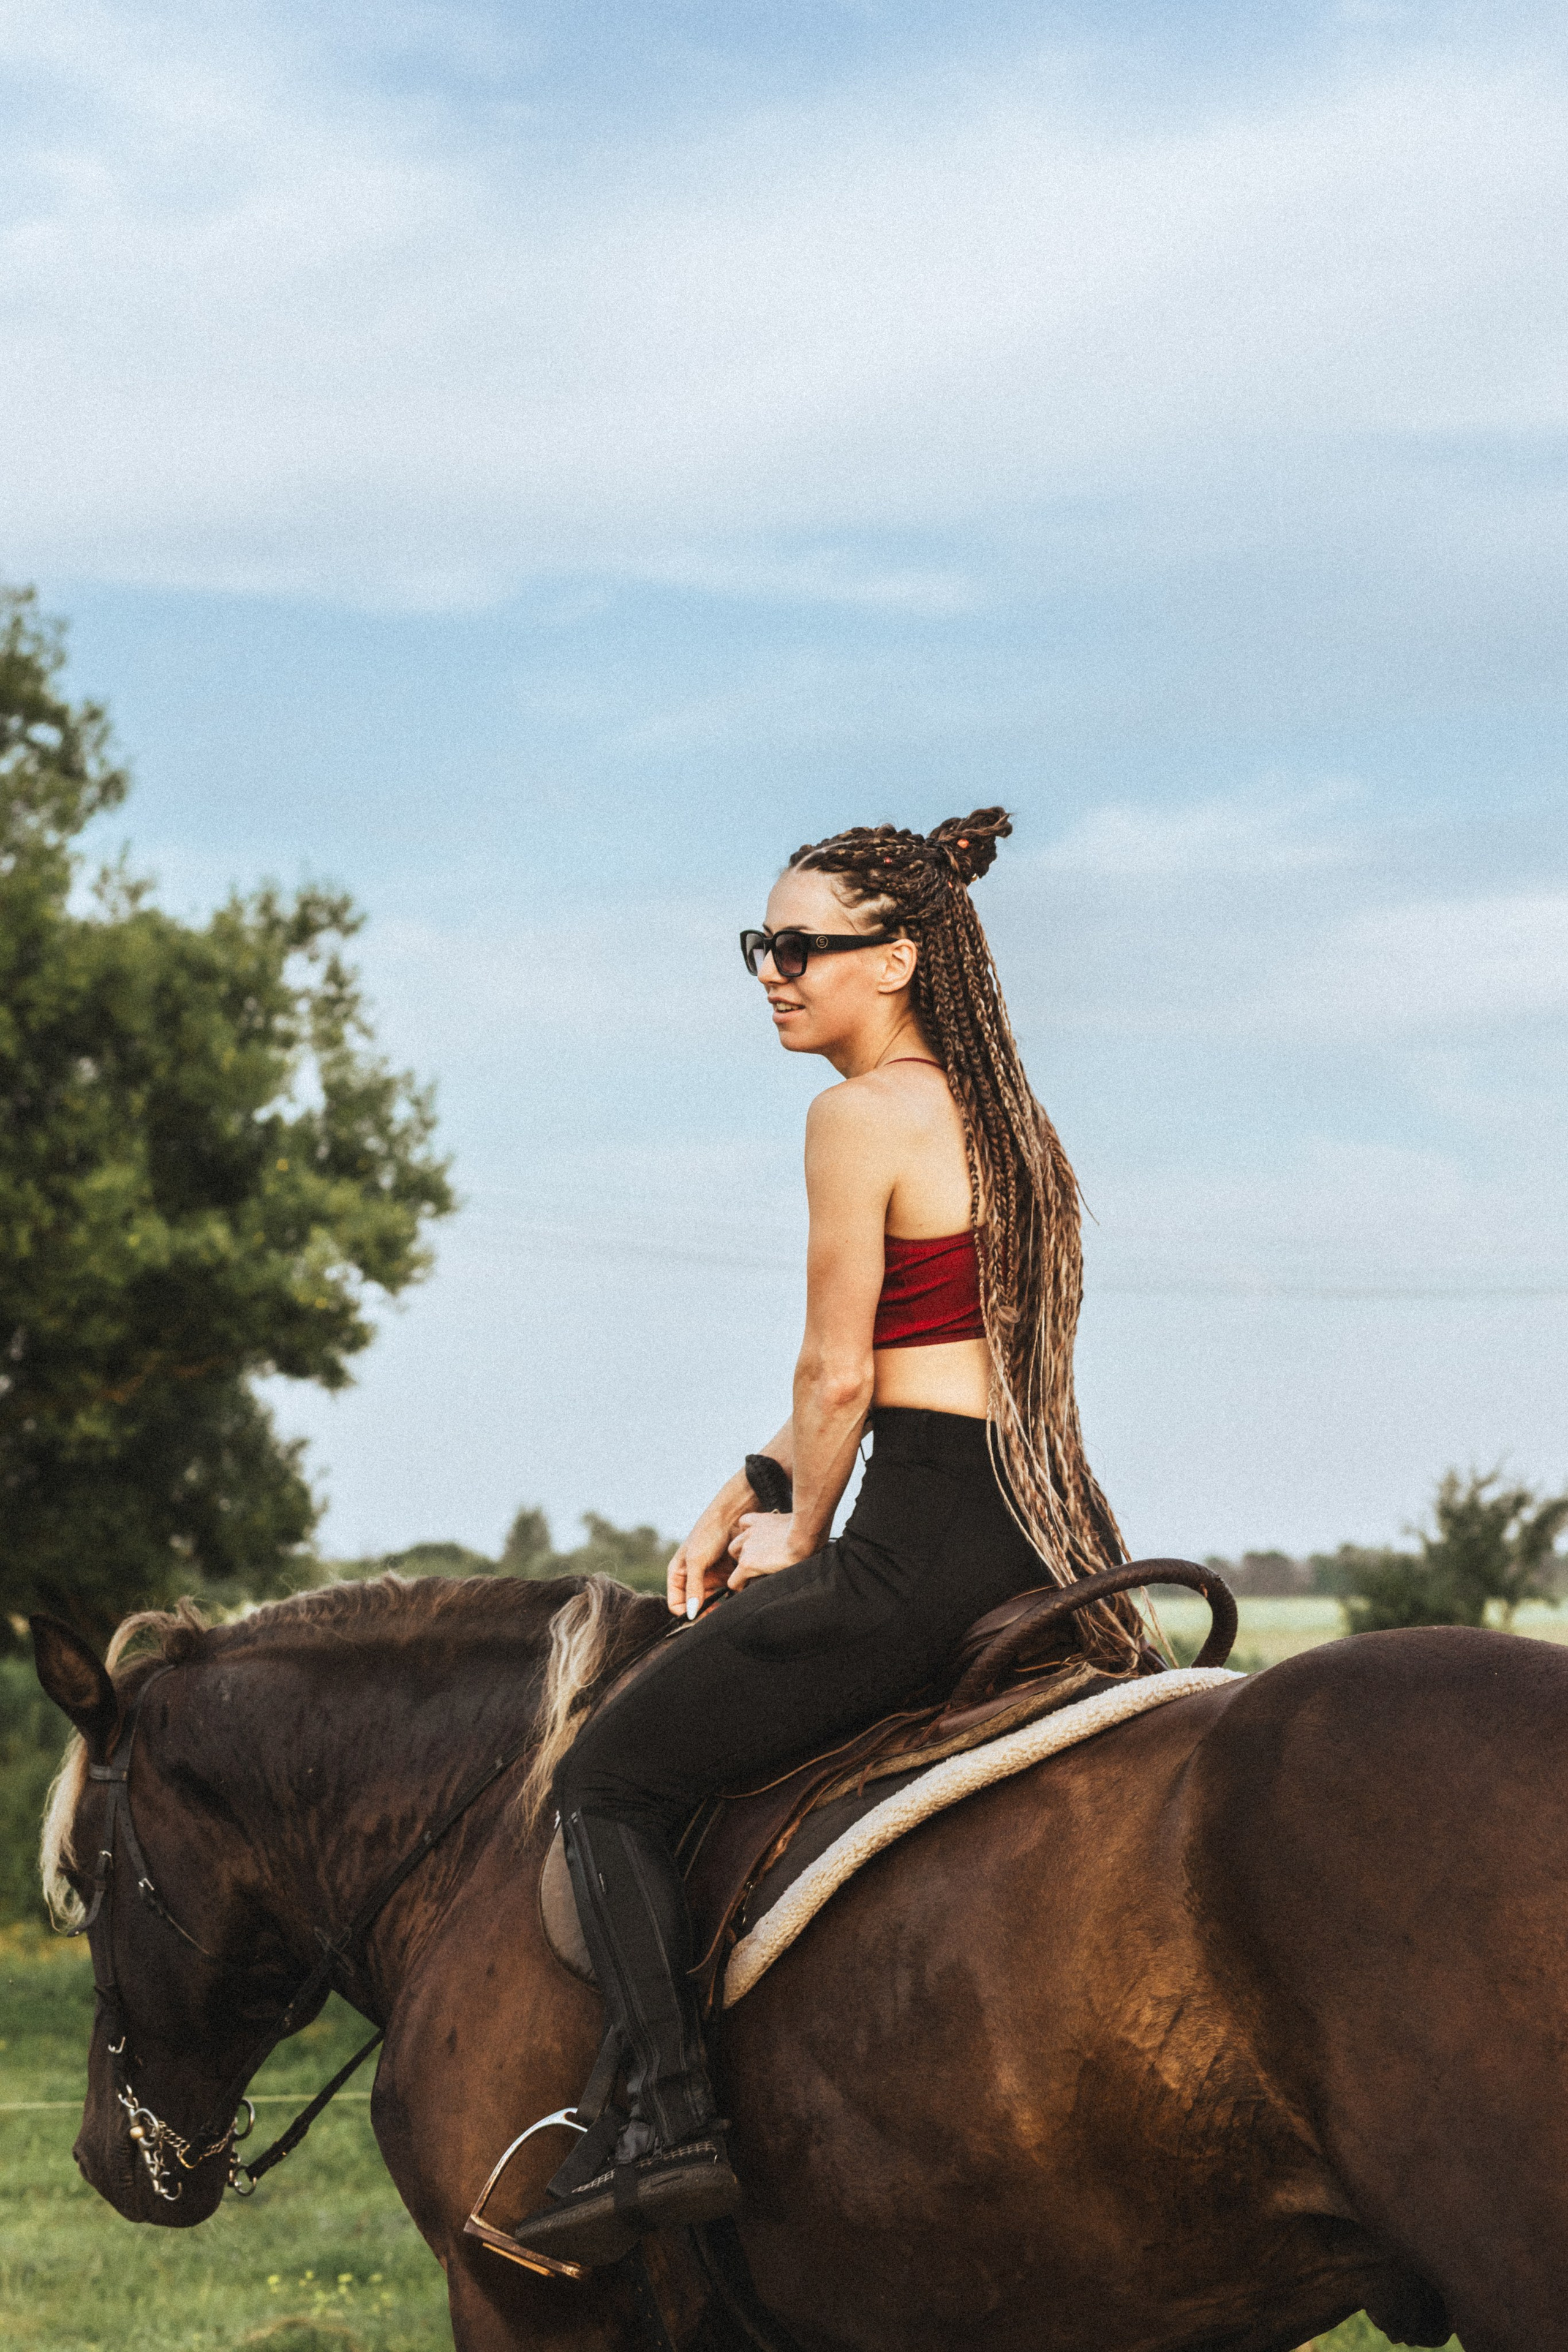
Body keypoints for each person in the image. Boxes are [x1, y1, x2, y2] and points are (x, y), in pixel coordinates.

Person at [511, 809, 1146, 2269]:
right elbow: (932, 1367)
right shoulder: (1009, 1125)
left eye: (800, 948)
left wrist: (792, 1547)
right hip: (1033, 1537)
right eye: (760, 946)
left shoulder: (854, 1116)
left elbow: (840, 1376)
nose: (771, 974)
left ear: (899, 959)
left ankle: (667, 2128)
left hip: (914, 1546)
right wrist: (754, 1484)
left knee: (606, 1776)